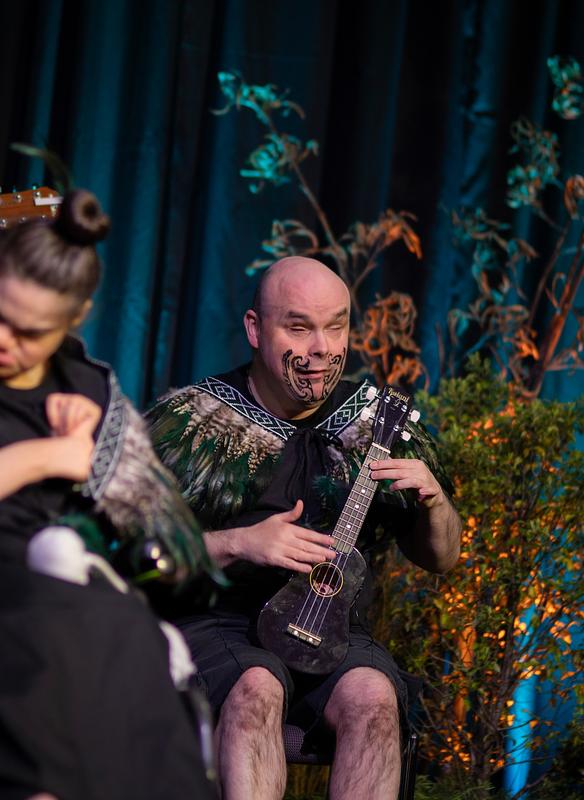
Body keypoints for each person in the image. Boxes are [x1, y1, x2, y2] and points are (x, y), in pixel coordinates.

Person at [147, 256, 462, 800]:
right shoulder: (192, 424)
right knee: (257, 688)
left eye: (335, 325)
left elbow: (442, 558)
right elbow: (128, 553)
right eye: (299, 327)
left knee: (374, 698)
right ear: (254, 329)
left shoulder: (375, 422)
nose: (321, 348)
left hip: (333, 630)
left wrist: (434, 503)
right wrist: (236, 543)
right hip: (223, 624)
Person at [0, 189, 217, 800]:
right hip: (20, 601)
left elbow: (164, 542)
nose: (4, 339)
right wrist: (49, 456)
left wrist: (91, 466)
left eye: (29, 331)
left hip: (66, 586)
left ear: (76, 318)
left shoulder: (90, 393)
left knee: (125, 629)